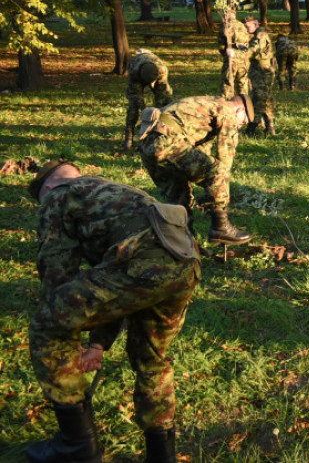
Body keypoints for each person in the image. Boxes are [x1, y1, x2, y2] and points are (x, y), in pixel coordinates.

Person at [24, 160, 200, 463]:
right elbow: (113, 279)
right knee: (151, 360)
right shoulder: (111, 192)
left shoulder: (58, 195)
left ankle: (76, 446)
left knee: (47, 326)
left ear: (49, 187)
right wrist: (97, 344)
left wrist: (68, 330)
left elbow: (56, 269)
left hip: (141, 264)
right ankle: (162, 457)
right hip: (185, 263)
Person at [138, 94, 254, 245]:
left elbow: (200, 154)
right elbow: (225, 155)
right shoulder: (227, 110)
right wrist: (219, 198)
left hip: (148, 144)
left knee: (179, 199)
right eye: (243, 120)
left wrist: (209, 192)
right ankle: (221, 228)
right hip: (168, 142)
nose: (242, 125)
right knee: (219, 171)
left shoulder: (208, 104)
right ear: (240, 109)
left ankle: (185, 245)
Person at [123, 50, 174, 151]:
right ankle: (128, 137)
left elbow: (162, 96)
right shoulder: (134, 71)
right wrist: (144, 111)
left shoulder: (161, 70)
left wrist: (158, 113)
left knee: (166, 103)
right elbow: (136, 96)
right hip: (138, 75)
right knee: (134, 106)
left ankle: (165, 134)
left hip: (157, 74)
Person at [247, 22, 277, 135]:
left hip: (263, 71)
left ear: (256, 24)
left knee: (259, 98)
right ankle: (270, 127)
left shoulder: (261, 35)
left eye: (248, 26)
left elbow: (254, 48)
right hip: (262, 69)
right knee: (266, 98)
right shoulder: (259, 33)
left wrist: (243, 52)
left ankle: (252, 127)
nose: (246, 28)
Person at [217, 9, 251, 99]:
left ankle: (227, 104)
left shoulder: (225, 26)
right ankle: (244, 103)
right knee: (243, 82)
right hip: (244, 58)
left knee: (228, 82)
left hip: (231, 57)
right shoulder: (242, 26)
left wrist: (225, 54)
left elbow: (221, 45)